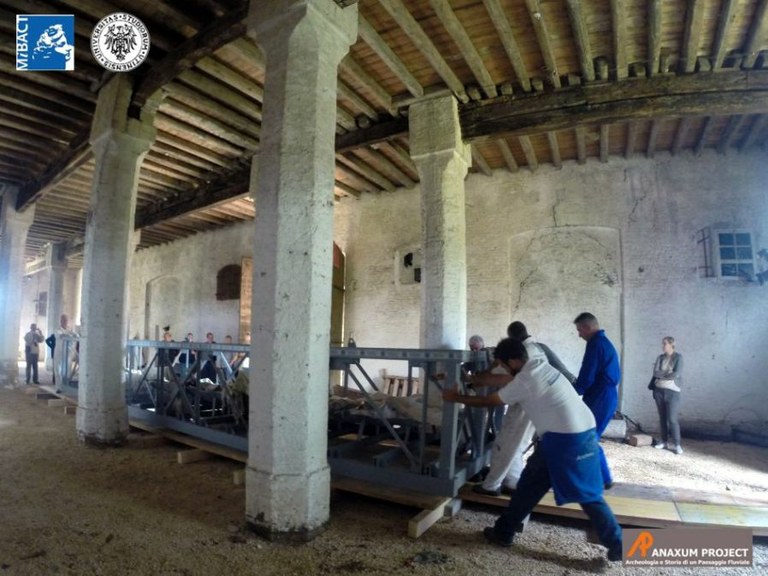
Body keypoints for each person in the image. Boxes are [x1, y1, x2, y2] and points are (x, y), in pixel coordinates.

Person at [444, 338, 622, 561]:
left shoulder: (526, 380)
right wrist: (473, 380)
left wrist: (455, 397)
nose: (500, 368)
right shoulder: (538, 365)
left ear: (512, 361)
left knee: (588, 494)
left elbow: (492, 400)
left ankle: (619, 544)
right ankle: (504, 531)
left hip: (570, 439)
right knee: (529, 485)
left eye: (501, 364)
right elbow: (504, 378)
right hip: (564, 434)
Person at [472, 322, 575, 497]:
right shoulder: (538, 348)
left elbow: (497, 375)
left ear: (512, 338)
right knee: (517, 444)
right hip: (538, 405)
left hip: (525, 404)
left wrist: (474, 380)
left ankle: (490, 486)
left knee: (505, 443)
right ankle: (512, 482)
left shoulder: (521, 352)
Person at [572, 312, 621, 489]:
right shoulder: (603, 343)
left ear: (588, 327)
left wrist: (572, 393)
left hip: (600, 396)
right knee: (587, 437)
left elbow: (587, 375)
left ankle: (601, 478)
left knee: (587, 437)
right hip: (603, 394)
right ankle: (600, 478)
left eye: (580, 330)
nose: (579, 335)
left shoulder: (595, 344)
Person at [649, 336, 684, 454]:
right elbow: (655, 373)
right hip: (659, 390)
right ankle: (664, 441)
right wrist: (668, 373)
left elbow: (676, 374)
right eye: (663, 343)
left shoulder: (678, 357)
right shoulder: (660, 357)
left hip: (673, 391)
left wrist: (663, 374)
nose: (663, 346)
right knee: (662, 418)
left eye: (665, 343)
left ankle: (677, 444)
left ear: (671, 344)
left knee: (672, 418)